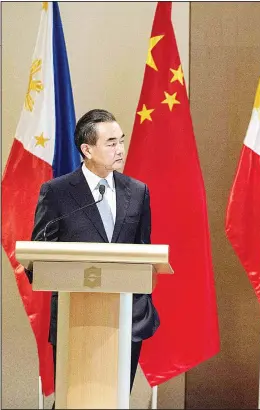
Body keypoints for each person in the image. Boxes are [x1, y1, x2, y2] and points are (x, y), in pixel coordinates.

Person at [26, 109, 159, 400]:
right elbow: (38, 261)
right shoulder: (57, 192)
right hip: (75, 318)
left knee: (116, 399)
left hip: (128, 317)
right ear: (87, 149)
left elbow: (144, 253)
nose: (120, 149)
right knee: (73, 400)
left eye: (121, 140)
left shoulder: (137, 192)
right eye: (111, 143)